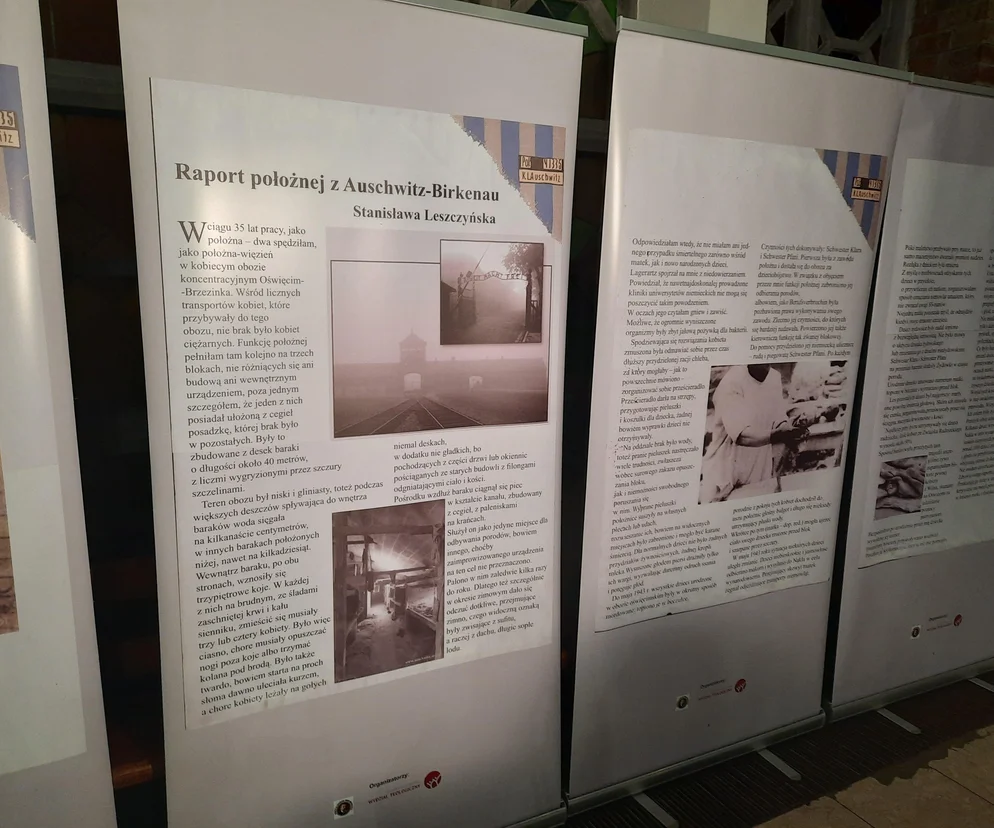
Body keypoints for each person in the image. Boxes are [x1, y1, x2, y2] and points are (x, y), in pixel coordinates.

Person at [700, 364, 806, 503]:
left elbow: (778, 419)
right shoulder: (732, 382)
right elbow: (743, 436)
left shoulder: (773, 378)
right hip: (724, 480)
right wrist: (779, 434)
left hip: (756, 473)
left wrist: (792, 429)